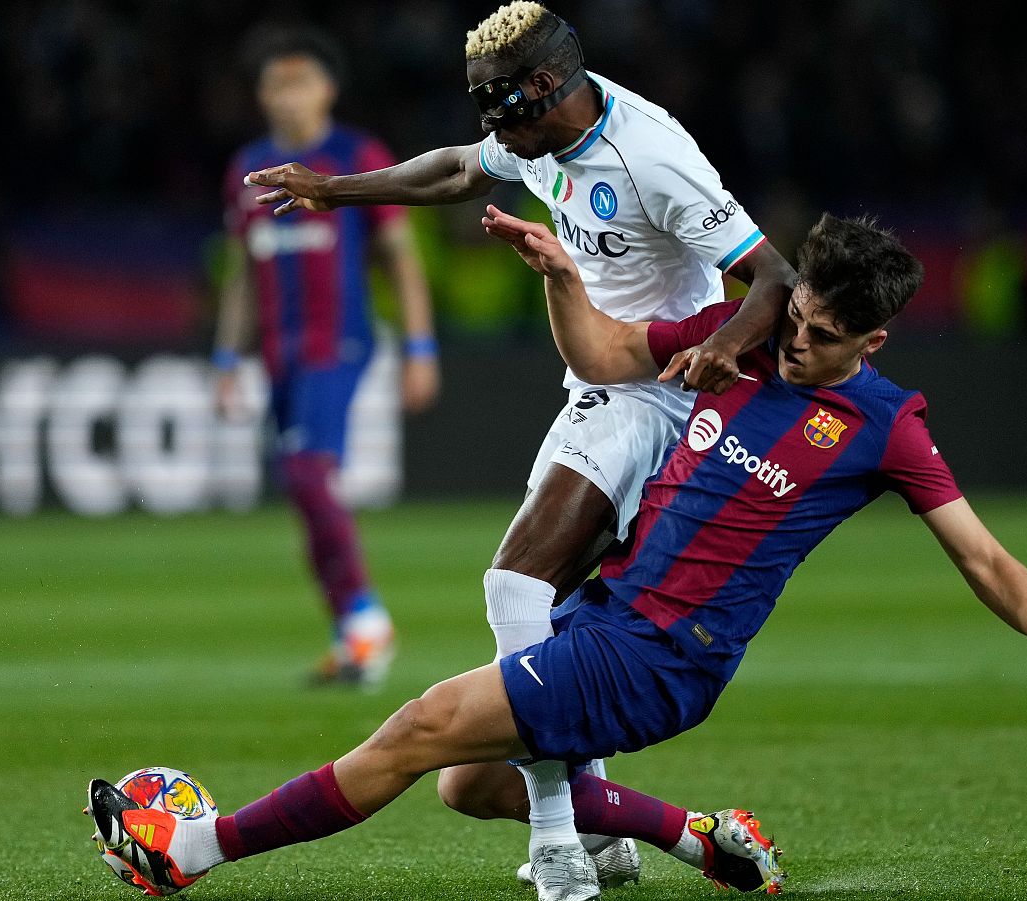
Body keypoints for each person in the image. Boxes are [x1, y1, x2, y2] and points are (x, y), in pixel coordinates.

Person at [87, 209, 1027, 901]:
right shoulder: (739, 339)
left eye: (823, 337)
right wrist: (563, 273)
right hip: (609, 619)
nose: (795, 342)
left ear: (871, 342)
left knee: (418, 725)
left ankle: (191, 852)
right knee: (465, 787)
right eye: (793, 318)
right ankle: (698, 837)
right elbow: (606, 351)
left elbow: (983, 558)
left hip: (665, 653)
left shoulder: (886, 427)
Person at [241, 2, 796, 882]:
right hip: (595, 387)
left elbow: (775, 275)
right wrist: (334, 188)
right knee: (545, 617)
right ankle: (608, 834)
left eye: (497, 103)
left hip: (652, 396)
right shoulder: (540, 134)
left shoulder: (652, 154)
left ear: (545, 85)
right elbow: (460, 170)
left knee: (514, 582)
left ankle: (557, 843)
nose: (488, 124)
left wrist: (723, 344)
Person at [215, 27, 441, 689]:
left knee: (310, 473)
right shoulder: (245, 168)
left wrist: (420, 347)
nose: (288, 95)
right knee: (300, 483)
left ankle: (366, 619)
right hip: (279, 353)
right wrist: (228, 355)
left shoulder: (353, 155)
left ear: (328, 89)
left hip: (338, 342)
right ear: (259, 94)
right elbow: (239, 269)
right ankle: (352, 636)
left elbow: (401, 255)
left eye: (301, 81)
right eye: (276, 83)